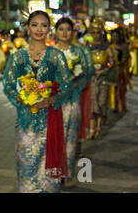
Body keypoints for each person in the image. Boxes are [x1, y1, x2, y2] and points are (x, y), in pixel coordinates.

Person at [2, 11, 73, 193]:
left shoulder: (56, 56)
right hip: (25, 124)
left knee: (48, 176)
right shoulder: (17, 57)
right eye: (34, 24)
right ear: (27, 28)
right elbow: (8, 86)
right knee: (26, 171)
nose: (39, 29)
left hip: (50, 123)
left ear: (49, 29)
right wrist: (21, 99)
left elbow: (67, 87)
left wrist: (50, 100)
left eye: (44, 25)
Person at [54, 18, 93, 187]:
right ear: (55, 32)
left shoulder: (79, 51)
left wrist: (75, 83)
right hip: (54, 102)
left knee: (71, 138)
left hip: (73, 100)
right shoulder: (49, 52)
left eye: (68, 29)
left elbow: (88, 72)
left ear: (73, 32)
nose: (64, 32)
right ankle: (55, 171)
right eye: (61, 29)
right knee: (55, 138)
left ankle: (68, 172)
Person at [87, 19, 114, 140]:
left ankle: (98, 128)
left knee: (101, 102)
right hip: (92, 78)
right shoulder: (88, 46)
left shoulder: (106, 46)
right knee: (93, 103)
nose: (95, 35)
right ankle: (91, 130)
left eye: (98, 32)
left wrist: (103, 71)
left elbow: (111, 63)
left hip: (103, 78)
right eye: (93, 32)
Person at [110, 28, 129, 114]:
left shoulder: (123, 46)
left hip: (119, 70)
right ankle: (113, 105)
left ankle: (120, 106)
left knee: (119, 89)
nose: (115, 38)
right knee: (111, 89)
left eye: (116, 36)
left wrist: (118, 63)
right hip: (110, 70)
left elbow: (126, 58)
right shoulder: (109, 47)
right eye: (113, 36)